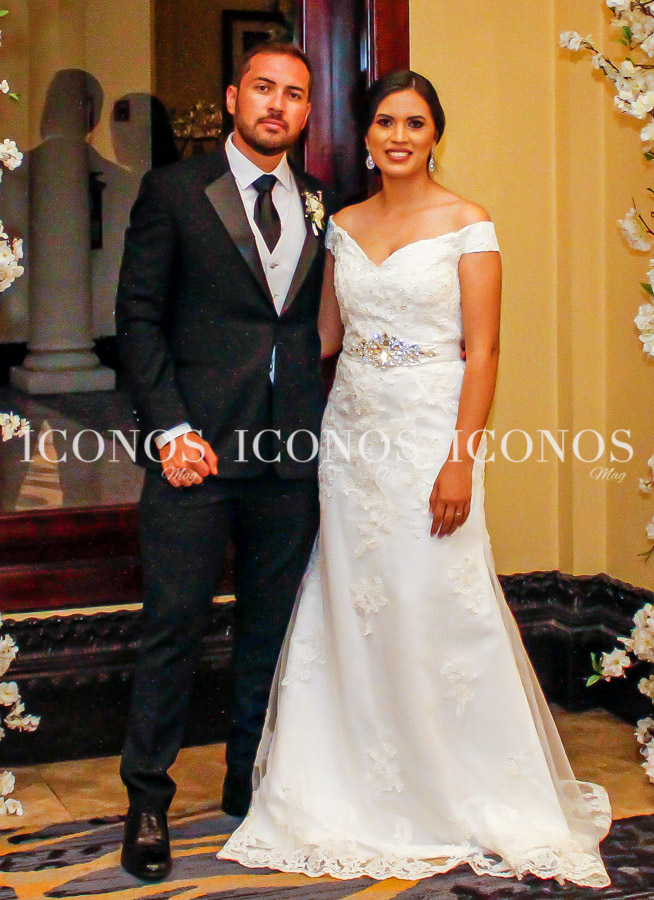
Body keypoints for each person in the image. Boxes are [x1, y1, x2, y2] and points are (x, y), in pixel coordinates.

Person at [219, 71, 612, 887]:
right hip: (352, 441)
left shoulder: (468, 224)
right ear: (366, 136)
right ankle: (355, 782)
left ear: (436, 134)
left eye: (416, 123)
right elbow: (324, 338)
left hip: (432, 437)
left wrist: (460, 457)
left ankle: (456, 783)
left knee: (437, 598)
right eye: (386, 122)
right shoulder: (342, 226)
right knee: (356, 600)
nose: (399, 136)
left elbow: (484, 351)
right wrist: (230, 357)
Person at [115, 43, 332, 881]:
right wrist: (169, 429)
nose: (278, 105)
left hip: (287, 453)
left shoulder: (318, 199)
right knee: (173, 627)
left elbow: (302, 325)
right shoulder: (174, 191)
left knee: (270, 631)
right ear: (235, 98)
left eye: (295, 94)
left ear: (307, 112)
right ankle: (147, 801)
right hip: (195, 454)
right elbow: (138, 319)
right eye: (264, 89)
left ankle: (249, 784)